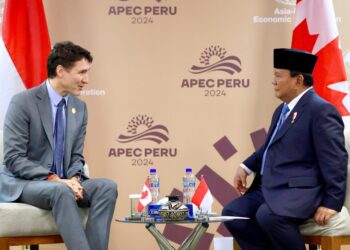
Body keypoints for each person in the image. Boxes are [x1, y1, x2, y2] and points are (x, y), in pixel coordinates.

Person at [222, 48, 348, 250]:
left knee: (268, 215)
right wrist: (246, 166)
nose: (273, 81)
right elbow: (271, 147)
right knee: (232, 214)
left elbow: (336, 160)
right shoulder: (282, 110)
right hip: (271, 187)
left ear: (298, 80)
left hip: (300, 191)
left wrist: (332, 202)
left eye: (278, 76)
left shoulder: (321, 110)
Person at [0, 41, 118, 250]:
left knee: (106, 187)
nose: (86, 80)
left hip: (63, 182)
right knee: (60, 191)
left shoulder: (79, 108)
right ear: (61, 71)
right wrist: (55, 179)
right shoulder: (23, 102)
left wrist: (73, 179)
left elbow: (76, 156)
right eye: (81, 72)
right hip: (24, 182)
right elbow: (13, 158)